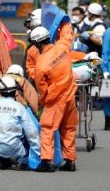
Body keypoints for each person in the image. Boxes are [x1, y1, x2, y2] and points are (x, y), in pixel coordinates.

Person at [31, 26, 77, 172]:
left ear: (37, 44)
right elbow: (68, 35)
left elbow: (42, 88)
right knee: (68, 128)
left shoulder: (41, 63)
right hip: (70, 96)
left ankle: (46, 161)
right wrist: (63, 22)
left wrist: (42, 102)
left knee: (47, 128)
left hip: (55, 100)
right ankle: (70, 161)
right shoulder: (63, 47)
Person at [0, 75, 40, 170]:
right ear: (15, 92)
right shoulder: (19, 107)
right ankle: (19, 160)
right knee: (25, 132)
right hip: (13, 147)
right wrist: (38, 152)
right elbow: (31, 132)